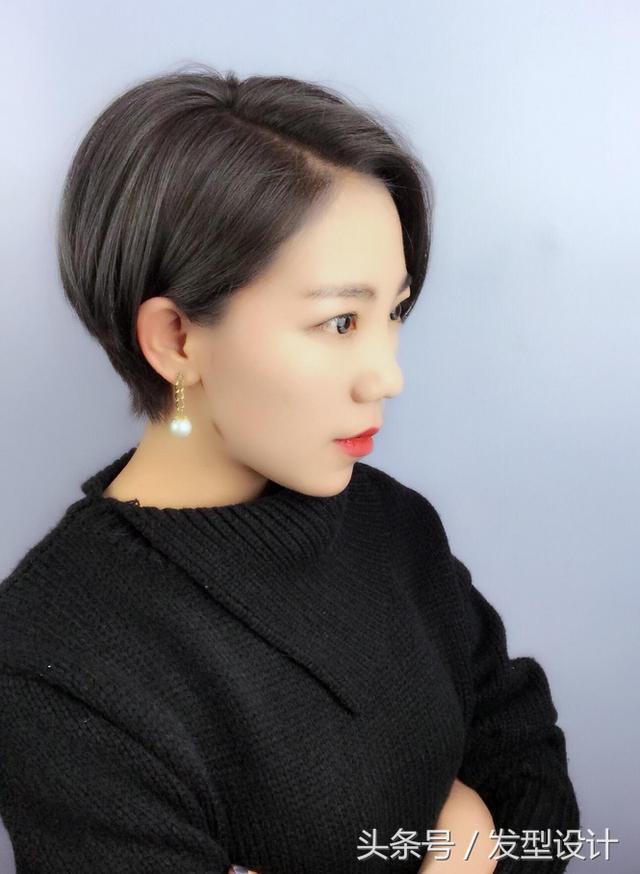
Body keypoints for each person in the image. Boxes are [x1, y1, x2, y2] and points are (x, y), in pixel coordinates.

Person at [0, 66, 579, 874]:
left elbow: (536, 785)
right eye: (339, 321)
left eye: (393, 312)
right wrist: (460, 831)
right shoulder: (56, 659)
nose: (388, 375)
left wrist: (477, 838)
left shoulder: (395, 525)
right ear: (175, 339)